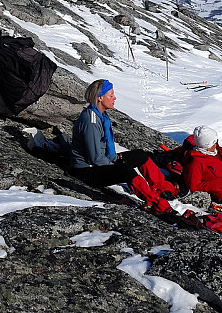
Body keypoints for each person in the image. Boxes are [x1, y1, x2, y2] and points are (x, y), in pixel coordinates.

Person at [69, 79, 199, 225]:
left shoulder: (100, 115)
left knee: (139, 156)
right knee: (126, 171)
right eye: (111, 95)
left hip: (101, 161)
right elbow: (95, 158)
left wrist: (115, 160)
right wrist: (117, 164)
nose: (114, 98)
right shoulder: (91, 121)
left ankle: (164, 189)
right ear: (100, 97)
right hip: (87, 170)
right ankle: (156, 203)